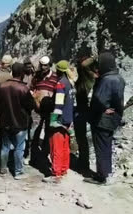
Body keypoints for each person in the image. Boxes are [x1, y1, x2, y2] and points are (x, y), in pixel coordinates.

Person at [84, 51, 125, 185]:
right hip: (113, 118)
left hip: (102, 119)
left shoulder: (107, 80)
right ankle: (107, 173)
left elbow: (98, 100)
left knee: (101, 147)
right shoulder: (118, 78)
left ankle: (102, 176)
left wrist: (98, 110)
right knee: (107, 146)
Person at [0, 63, 35, 180]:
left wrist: (0, 119)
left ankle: (3, 168)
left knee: (5, 146)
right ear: (22, 73)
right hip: (20, 123)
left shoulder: (1, 87)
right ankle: (18, 172)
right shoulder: (23, 88)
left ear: (12, 72)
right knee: (19, 147)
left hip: (5, 122)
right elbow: (30, 105)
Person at [43, 60, 76, 183]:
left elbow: (58, 103)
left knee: (56, 147)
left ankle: (56, 174)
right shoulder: (70, 83)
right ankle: (63, 169)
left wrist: (53, 120)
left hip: (60, 121)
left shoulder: (60, 84)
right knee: (64, 147)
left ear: (59, 70)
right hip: (68, 119)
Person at [29, 56, 58, 175]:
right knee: (34, 132)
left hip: (51, 110)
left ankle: (45, 156)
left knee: (49, 133)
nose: (43, 67)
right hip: (37, 110)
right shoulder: (37, 77)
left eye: (46, 65)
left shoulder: (56, 77)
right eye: (42, 65)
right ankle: (33, 156)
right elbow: (31, 88)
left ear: (50, 65)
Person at [74, 55, 99, 174]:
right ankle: (84, 163)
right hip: (83, 109)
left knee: (83, 138)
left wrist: (95, 56)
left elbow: (84, 65)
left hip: (85, 110)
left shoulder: (88, 76)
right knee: (82, 138)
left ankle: (84, 164)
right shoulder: (86, 76)